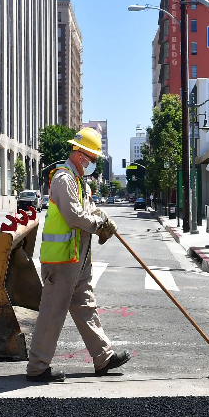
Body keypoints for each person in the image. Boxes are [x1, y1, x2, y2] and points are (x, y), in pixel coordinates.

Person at [26, 127, 128, 382]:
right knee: (52, 312)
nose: (92, 164)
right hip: (61, 260)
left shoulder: (79, 180)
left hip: (78, 259)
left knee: (85, 306)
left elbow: (90, 209)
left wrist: (103, 219)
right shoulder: (63, 179)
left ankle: (103, 357)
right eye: (92, 159)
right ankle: (38, 367)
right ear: (81, 155)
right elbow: (73, 216)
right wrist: (97, 225)